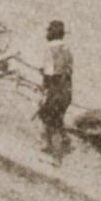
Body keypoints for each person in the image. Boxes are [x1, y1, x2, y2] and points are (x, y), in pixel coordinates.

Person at [38, 20, 74, 163]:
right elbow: (68, 70)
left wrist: (43, 90)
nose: (46, 33)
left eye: (48, 31)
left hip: (55, 90)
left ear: (51, 34)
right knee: (51, 116)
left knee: (52, 121)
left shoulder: (49, 49)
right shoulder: (67, 50)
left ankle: (56, 157)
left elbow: (49, 75)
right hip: (67, 90)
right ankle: (49, 145)